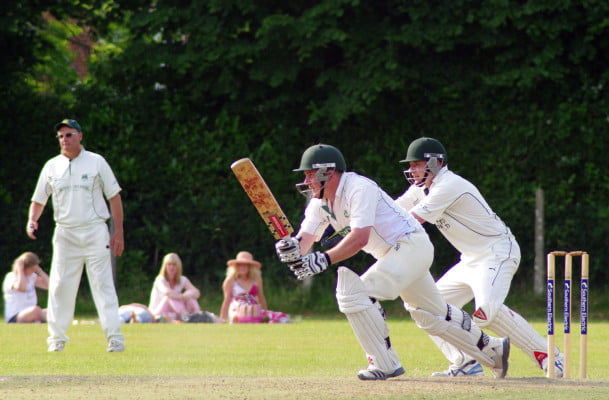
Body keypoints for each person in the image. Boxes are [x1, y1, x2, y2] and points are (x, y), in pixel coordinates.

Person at [274, 143, 510, 380]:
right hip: (394, 255)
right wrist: (294, 249)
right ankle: (492, 349)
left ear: (328, 171)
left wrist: (324, 259)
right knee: (432, 313)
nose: (307, 181)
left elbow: (359, 237)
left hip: (410, 245)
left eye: (310, 174)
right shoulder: (319, 203)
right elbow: (307, 238)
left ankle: (384, 363)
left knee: (354, 294)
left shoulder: (358, 187)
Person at [395, 137, 565, 377]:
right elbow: (393, 210)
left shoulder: (449, 185)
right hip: (470, 260)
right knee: (425, 308)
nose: (412, 170)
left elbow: (410, 219)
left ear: (435, 162)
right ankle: (466, 363)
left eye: (416, 164)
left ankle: (551, 356)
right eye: (410, 165)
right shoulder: (419, 189)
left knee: (485, 314)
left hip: (497, 252)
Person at [26, 118, 125, 353]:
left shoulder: (96, 162)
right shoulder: (52, 166)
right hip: (65, 234)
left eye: (69, 135)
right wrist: (32, 219)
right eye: (61, 136)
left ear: (80, 136)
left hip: (94, 231)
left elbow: (114, 197)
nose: (64, 140)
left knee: (102, 285)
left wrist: (118, 232)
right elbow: (39, 199)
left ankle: (115, 338)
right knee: (60, 286)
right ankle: (56, 340)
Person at [220, 251, 291, 324]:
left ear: (250, 267)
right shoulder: (230, 280)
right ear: (236, 266)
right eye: (240, 265)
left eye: (245, 265)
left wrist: (265, 312)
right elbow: (226, 300)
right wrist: (222, 318)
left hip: (253, 308)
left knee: (281, 317)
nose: (242, 267)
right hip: (237, 308)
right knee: (240, 317)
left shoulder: (256, 279)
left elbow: (260, 296)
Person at [149, 252, 202, 322]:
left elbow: (196, 292)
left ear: (178, 267)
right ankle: (185, 315)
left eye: (174, 265)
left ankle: (197, 314)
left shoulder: (182, 279)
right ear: (165, 266)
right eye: (169, 264)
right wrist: (182, 297)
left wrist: (188, 295)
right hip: (158, 312)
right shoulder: (160, 279)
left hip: (174, 312)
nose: (171, 267)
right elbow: (167, 292)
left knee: (189, 293)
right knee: (170, 296)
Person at [3, 252, 49, 323]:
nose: (33, 271)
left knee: (50, 311)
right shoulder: (11, 277)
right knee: (35, 310)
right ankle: (45, 322)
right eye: (31, 268)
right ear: (25, 267)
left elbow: (48, 285)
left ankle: (44, 321)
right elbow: (22, 288)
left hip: (32, 313)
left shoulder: (32, 277)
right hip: (15, 316)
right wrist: (20, 270)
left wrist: (40, 271)